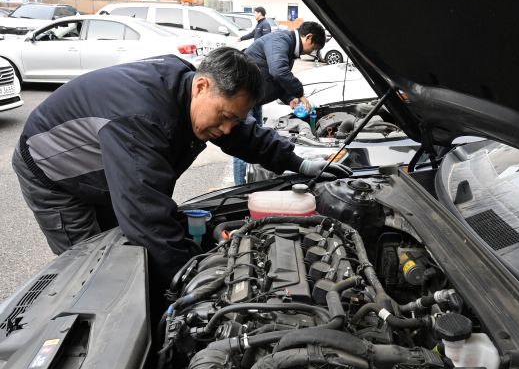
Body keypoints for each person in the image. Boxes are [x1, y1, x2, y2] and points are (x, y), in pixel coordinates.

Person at [13, 47, 347, 289]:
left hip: (105, 167)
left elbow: (243, 135)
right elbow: (147, 219)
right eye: (226, 116)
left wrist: (297, 162)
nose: (229, 128)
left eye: (236, 118)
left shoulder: (190, 89)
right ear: (201, 86)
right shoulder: (143, 118)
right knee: (98, 271)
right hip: (56, 175)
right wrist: (191, 277)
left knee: (128, 245)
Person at [232, 20, 326, 185]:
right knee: (243, 145)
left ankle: (252, 182)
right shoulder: (280, 40)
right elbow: (278, 71)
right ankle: (240, 190)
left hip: (254, 100)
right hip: (243, 100)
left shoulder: (287, 47)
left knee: (256, 142)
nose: (313, 51)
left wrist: (290, 98)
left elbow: (276, 79)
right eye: (315, 47)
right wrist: (300, 93)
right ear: (309, 37)